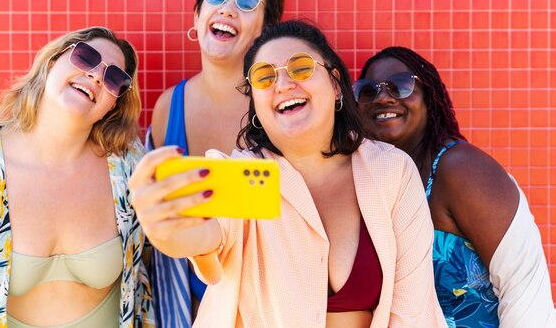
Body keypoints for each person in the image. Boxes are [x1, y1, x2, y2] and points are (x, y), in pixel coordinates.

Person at [131, 20, 446, 328]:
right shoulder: (239, 175)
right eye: (264, 77)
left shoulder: (392, 171)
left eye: (300, 68)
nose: (282, 84)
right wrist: (164, 226)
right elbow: (203, 237)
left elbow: (411, 311)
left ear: (335, 83)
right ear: (255, 102)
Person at [0, 27, 154, 327]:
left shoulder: (129, 167)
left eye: (114, 78)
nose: (95, 76)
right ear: (52, 62)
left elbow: (158, 255)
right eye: (85, 57)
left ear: (113, 104)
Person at [355, 46, 556, 327]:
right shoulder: (372, 182)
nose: (382, 98)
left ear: (430, 98)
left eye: (400, 86)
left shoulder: (461, 169)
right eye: (368, 90)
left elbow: (523, 287)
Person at [147, 0, 284, 327]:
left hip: (267, 307)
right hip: (187, 310)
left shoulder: (279, 106)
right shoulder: (167, 108)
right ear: (197, 15)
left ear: (262, 29)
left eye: (246, 2)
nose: (227, 8)